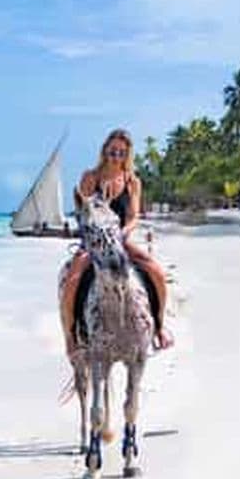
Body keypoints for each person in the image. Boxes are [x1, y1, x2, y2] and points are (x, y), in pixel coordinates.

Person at [60, 128, 174, 354]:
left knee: (157, 272)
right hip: (93, 243)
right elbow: (84, 210)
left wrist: (121, 234)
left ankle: (159, 326)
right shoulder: (90, 177)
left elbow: (133, 217)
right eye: (113, 152)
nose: (116, 157)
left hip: (120, 241)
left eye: (122, 153)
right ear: (105, 151)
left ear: (127, 155)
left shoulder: (132, 181)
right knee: (72, 280)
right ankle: (71, 336)